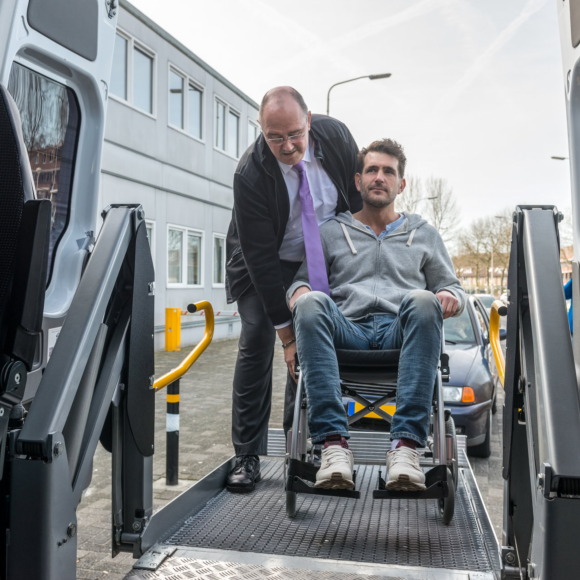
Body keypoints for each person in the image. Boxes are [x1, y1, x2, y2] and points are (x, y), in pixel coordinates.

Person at [287, 138, 466, 490]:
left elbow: (454, 288)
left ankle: (405, 447)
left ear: (401, 184)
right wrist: (301, 292)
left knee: (421, 298)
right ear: (358, 181)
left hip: (400, 332)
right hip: (346, 330)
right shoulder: (331, 232)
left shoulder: (424, 234)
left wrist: (447, 295)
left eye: (388, 171)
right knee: (311, 303)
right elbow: (299, 284)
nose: (379, 177)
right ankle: (334, 446)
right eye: (372, 170)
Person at [225, 87, 362, 492]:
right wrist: (284, 332)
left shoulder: (335, 137)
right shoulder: (249, 173)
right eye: (275, 137)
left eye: (295, 135)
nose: (287, 146)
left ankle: (297, 447)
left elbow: (355, 204)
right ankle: (247, 453)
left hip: (317, 258)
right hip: (262, 264)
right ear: (261, 130)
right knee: (257, 339)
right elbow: (260, 258)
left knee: (312, 340)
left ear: (308, 122)